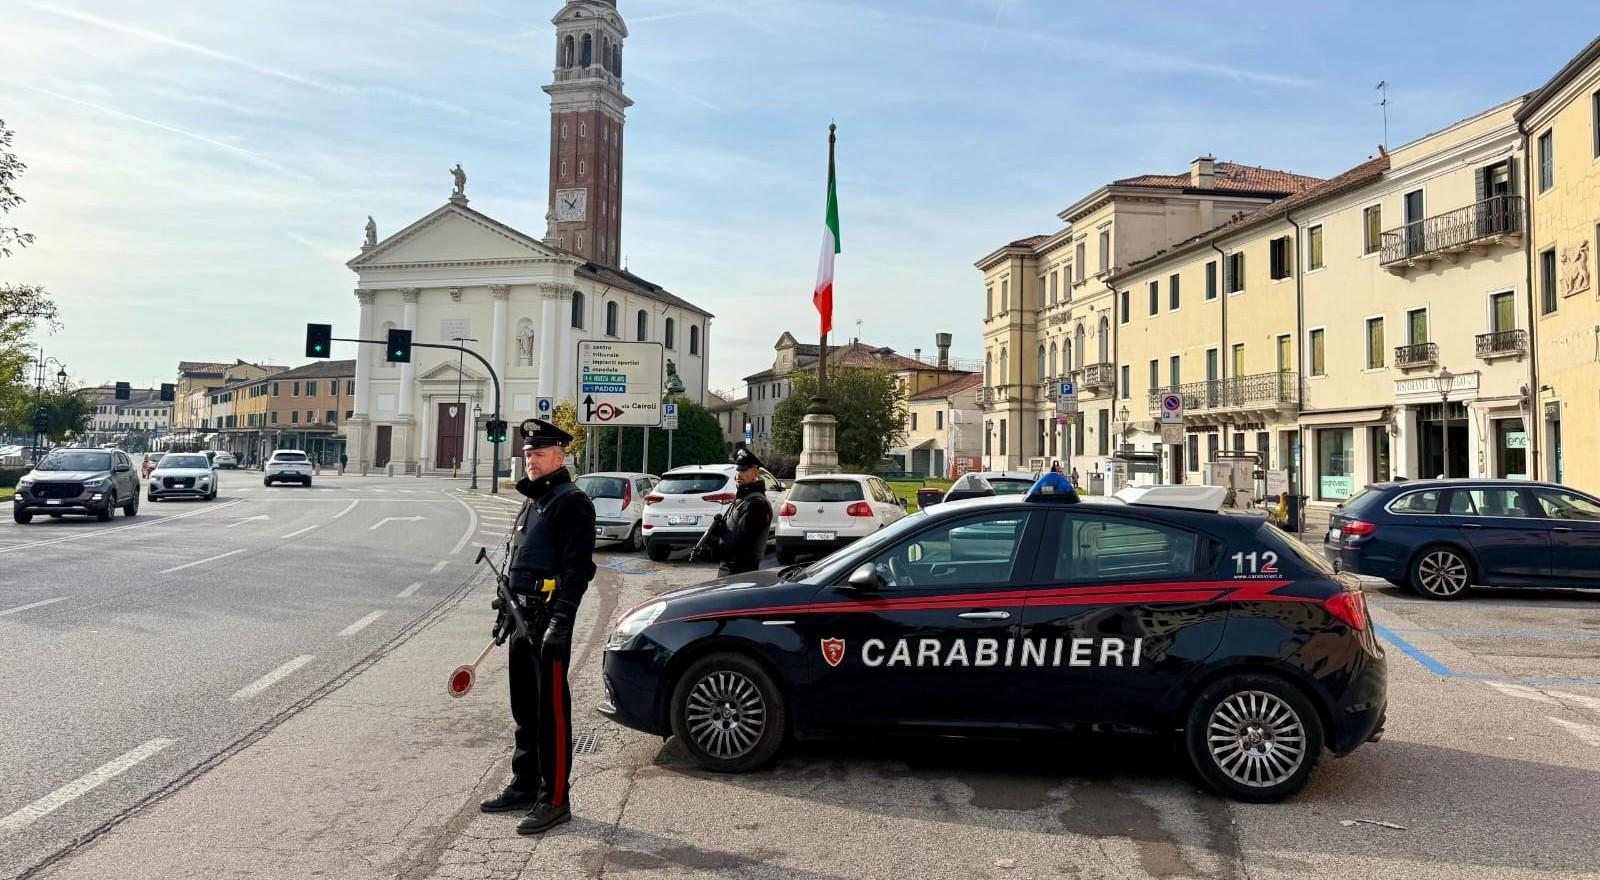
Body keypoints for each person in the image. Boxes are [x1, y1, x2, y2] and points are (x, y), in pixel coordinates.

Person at [479, 418, 596, 836]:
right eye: (528, 453)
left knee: (551, 715)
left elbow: (579, 570)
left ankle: (556, 799)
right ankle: (526, 784)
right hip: (521, 617)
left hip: (549, 621)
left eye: (539, 453)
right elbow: (521, 559)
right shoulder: (534, 499)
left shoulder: (572, 502)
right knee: (525, 710)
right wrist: (505, 605)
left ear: (559, 457)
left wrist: (562, 621)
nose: (531, 459)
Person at [704, 444, 773, 576]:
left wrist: (717, 541)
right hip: (732, 568)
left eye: (744, 470)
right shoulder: (743, 498)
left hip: (740, 570)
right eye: (738, 470)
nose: (739, 474)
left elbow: (742, 543)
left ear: (755, 473)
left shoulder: (755, 504)